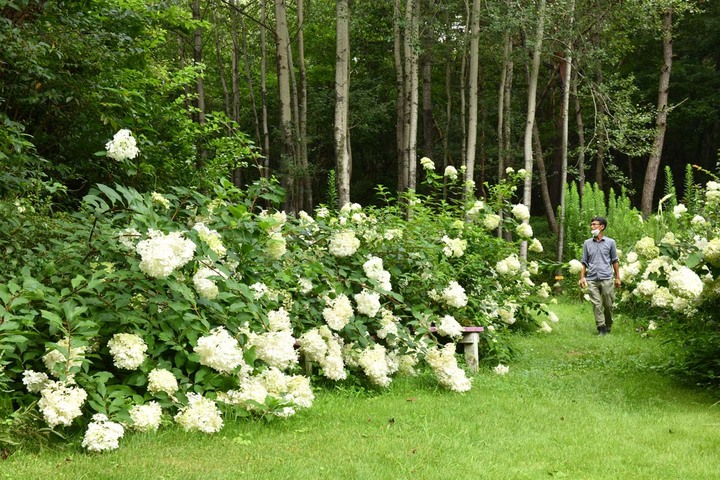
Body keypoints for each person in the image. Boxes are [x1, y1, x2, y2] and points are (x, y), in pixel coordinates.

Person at [578, 216, 621, 336]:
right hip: (592, 278)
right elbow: (584, 262)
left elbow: (615, 261)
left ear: (602, 227)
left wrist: (617, 277)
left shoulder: (610, 242)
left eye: (594, 224)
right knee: (596, 304)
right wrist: (582, 277)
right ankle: (601, 327)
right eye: (591, 224)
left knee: (608, 304)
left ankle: (608, 324)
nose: (592, 227)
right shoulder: (587, 243)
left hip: (606, 277)